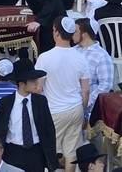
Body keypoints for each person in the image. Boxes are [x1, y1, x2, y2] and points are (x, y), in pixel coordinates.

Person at [35, 17, 89, 172]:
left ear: (57, 33)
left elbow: (39, 88)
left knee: (50, 150)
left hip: (55, 111)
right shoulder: (81, 58)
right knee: (71, 151)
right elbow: (85, 90)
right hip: (75, 108)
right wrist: (83, 111)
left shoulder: (45, 58)